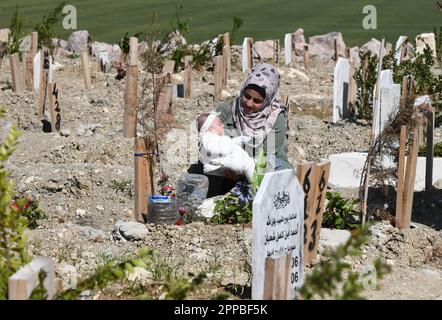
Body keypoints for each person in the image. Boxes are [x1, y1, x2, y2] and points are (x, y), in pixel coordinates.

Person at [188, 62, 291, 197]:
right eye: (246, 96)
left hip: (263, 164)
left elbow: (266, 154)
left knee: (280, 174)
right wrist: (228, 165)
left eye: (257, 101)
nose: (249, 103)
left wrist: (242, 168)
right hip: (229, 167)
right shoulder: (226, 110)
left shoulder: (275, 118)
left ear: (268, 100)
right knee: (199, 170)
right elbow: (208, 139)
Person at [197, 112, 255, 182]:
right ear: (209, 129)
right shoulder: (206, 137)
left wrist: (241, 140)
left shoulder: (216, 139)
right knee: (249, 164)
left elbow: (230, 142)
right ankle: (256, 186)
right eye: (219, 124)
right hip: (224, 162)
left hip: (229, 161)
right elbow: (211, 148)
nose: (223, 125)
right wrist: (230, 148)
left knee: (252, 164)